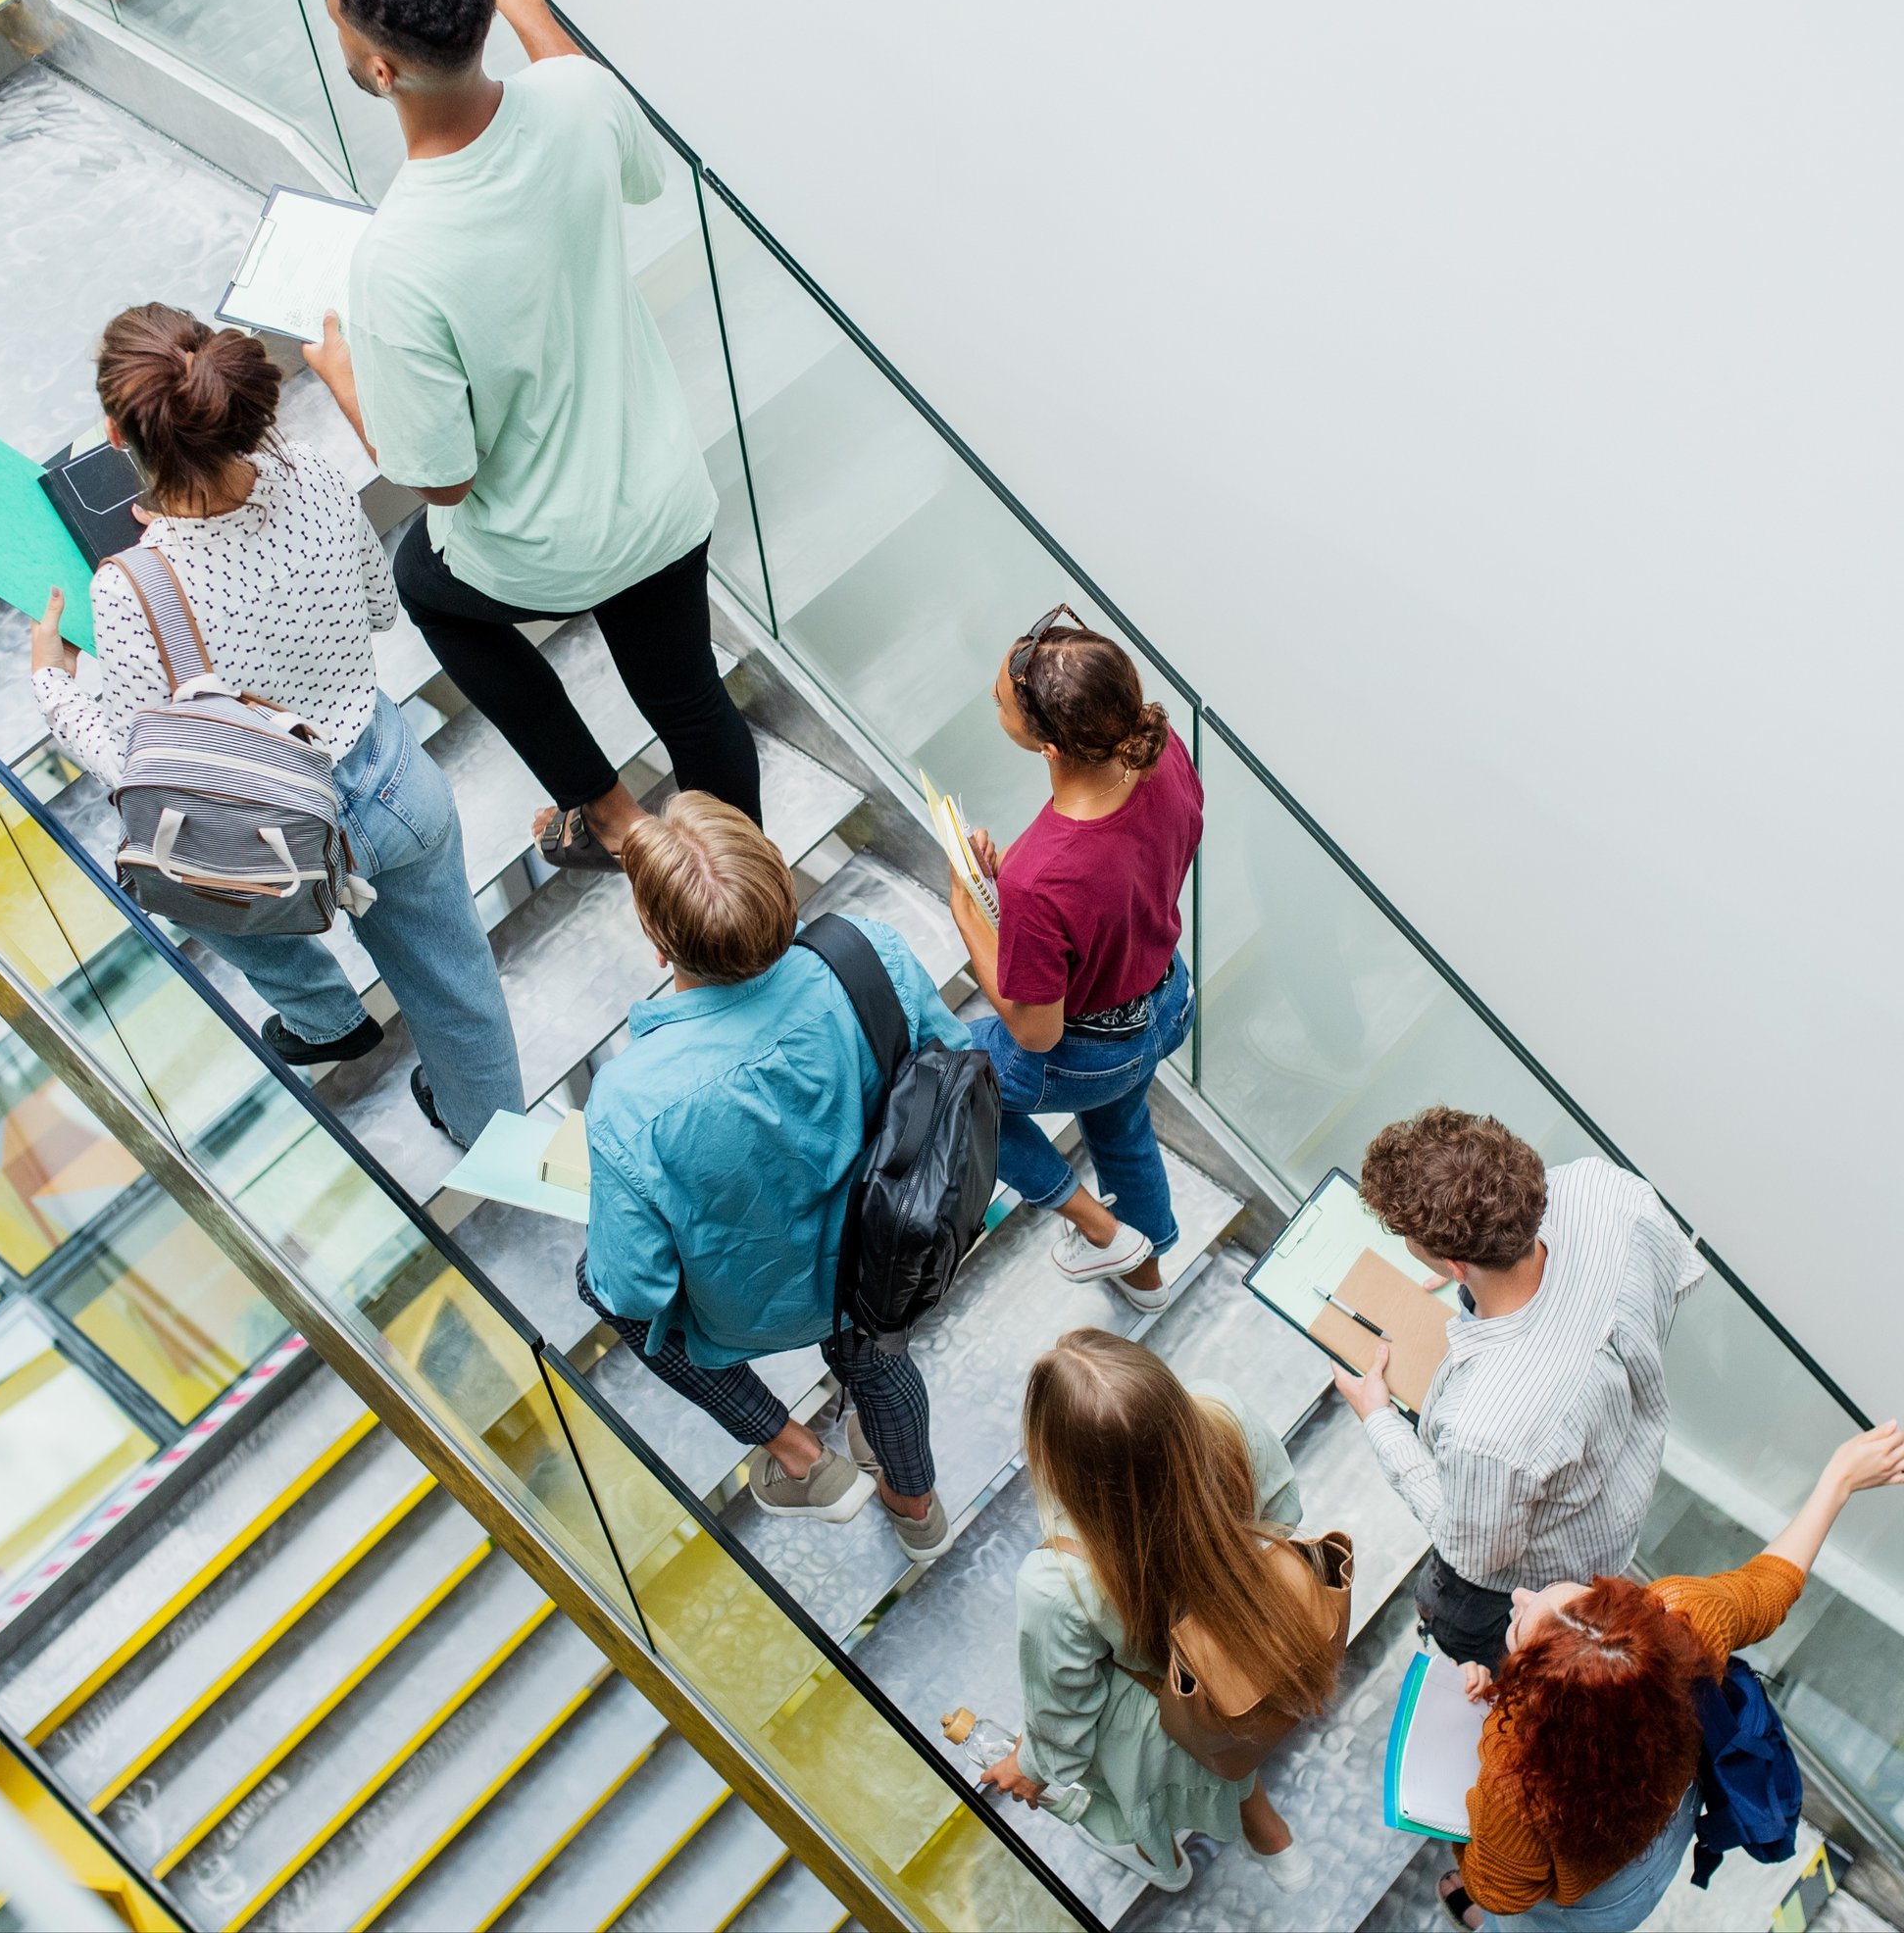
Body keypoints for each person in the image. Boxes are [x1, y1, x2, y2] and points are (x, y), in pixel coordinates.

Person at [28, 304, 522, 1148]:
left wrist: (52, 682)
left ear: (118, 435)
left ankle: (321, 1013)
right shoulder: (315, 472)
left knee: (177, 863)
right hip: (396, 785)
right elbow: (376, 609)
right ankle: (493, 1138)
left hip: (269, 844)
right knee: (459, 988)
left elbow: (140, 771)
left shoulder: (132, 590)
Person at [304, 0, 761, 871]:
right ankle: (746, 901)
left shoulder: (397, 260)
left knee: (424, 582)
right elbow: (632, 156)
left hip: (552, 550)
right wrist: (529, 11)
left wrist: (346, 379)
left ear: (382, 69)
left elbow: (443, 479)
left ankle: (609, 813)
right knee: (692, 702)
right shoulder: (578, 91)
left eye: (340, 20)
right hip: (663, 499)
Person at [577, 792, 962, 1561]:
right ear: (780, 892)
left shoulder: (629, 1105)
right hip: (882, 1268)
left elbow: (634, 1290)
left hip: (752, 1310)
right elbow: (953, 1070)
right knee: (879, 1360)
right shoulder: (869, 955)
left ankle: (797, 1457)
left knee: (596, 1285)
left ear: (658, 939)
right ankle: (916, 1511)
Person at [1435, 1418, 1904, 1931]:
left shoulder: (1513, 1780)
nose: (1520, 1596)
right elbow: (1768, 1589)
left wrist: (1487, 1728)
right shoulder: (1678, 1628)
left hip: (1581, 1901)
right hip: (1656, 1848)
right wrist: (1838, 1481)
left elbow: (1500, 1890)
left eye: (1523, 1622)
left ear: (1536, 1696)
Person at [1331, 1109, 1705, 1671]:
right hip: (1608, 1517)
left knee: (1471, 1635)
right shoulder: (1609, 1192)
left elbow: (1474, 1556)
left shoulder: (1485, 1433)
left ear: (1455, 1263)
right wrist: (1476, 1280)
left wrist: (1380, 1418)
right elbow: (1674, 1278)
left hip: (1520, 1592)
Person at [980, 1329, 1322, 1894]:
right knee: (1216, 1722)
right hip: (1261, 1648)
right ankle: (1268, 1832)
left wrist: (1031, 1767)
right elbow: (1283, 1520)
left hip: (1170, 1703)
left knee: (1112, 1745)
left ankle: (1159, 1854)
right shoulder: (1222, 1412)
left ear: (1055, 1453)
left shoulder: (1058, 1578)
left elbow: (1063, 1711)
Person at [947, 607, 1202, 1312]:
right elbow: (1125, 870)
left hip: (1090, 1046)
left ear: (1051, 747)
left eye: (1000, 699)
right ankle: (1148, 1280)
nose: (994, 700)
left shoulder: (1040, 875)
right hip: (1166, 998)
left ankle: (1097, 1229)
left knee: (945, 1083)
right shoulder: (1164, 751)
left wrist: (970, 912)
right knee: (1123, 1132)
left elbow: (1036, 1034)